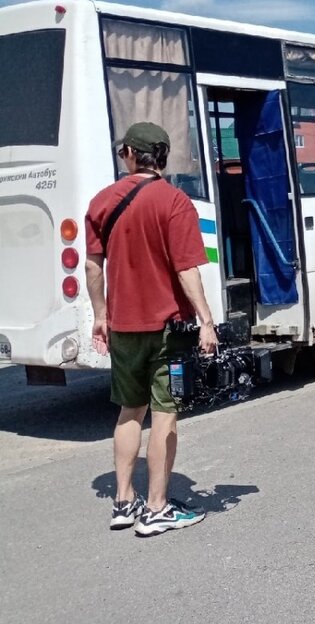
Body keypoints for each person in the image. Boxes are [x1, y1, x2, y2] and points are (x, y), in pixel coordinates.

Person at [84, 122, 217, 536]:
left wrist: (100, 315)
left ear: (129, 154)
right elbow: (186, 270)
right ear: (160, 157)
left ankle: (123, 502)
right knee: (164, 414)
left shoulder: (102, 202)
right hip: (168, 330)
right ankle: (157, 507)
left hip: (123, 327)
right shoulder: (176, 202)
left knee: (129, 411)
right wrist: (206, 321)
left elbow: (92, 265)